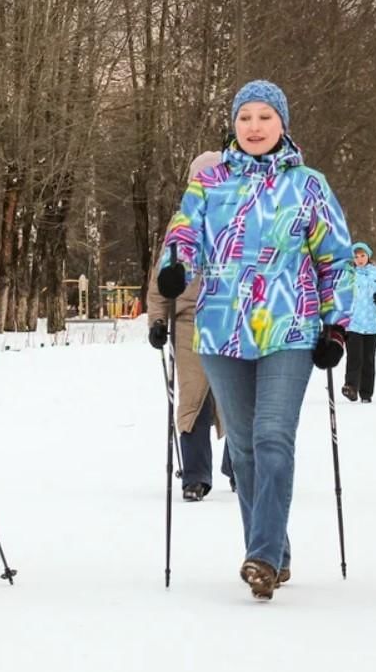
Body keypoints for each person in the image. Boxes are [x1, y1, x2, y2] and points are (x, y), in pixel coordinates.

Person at [154, 79, 351, 600]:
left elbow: (335, 256)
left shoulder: (308, 184)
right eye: (246, 118)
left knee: (271, 437)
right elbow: (184, 235)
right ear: (233, 125)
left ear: (282, 124)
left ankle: (260, 555)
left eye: (265, 117)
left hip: (290, 326)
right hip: (220, 327)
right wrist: (174, 270)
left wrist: (336, 325)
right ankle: (274, 551)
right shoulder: (209, 182)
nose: (255, 127)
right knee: (242, 448)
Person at [147, 150, 233, 502]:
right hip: (190, 321)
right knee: (193, 396)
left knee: (237, 398)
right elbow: (162, 275)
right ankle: (196, 475)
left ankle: (241, 468)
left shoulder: (241, 220)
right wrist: (157, 319)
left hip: (234, 318)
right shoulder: (180, 224)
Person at [341, 242, 376, 403]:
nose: (359, 259)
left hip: (372, 324)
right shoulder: (347, 274)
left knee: (368, 359)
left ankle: (366, 393)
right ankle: (351, 387)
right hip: (353, 324)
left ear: (368, 256)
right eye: (356, 256)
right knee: (354, 357)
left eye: (362, 256)